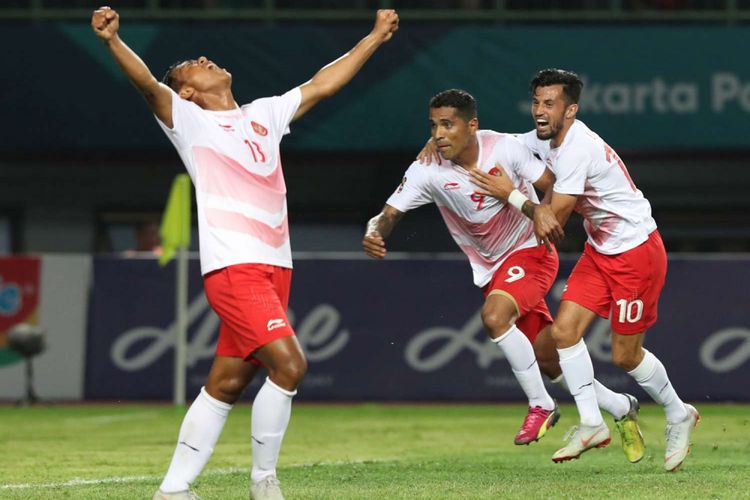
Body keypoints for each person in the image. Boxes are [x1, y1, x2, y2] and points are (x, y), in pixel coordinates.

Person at [91, 6, 399, 499]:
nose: (206, 58)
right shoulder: (187, 120)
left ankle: (173, 490)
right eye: (193, 62)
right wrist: (111, 41)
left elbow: (323, 84)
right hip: (235, 268)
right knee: (290, 366)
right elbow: (149, 85)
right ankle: (264, 484)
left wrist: (374, 38)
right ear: (187, 90)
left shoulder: (263, 115)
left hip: (277, 267)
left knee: (226, 385)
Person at [365, 89, 644, 457]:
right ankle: (621, 406)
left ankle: (540, 405)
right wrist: (373, 233)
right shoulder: (426, 170)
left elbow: (552, 186)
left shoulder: (504, 149)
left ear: (472, 126)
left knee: (495, 317)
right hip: (491, 268)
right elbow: (389, 214)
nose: (438, 134)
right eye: (433, 126)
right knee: (548, 357)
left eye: (448, 125)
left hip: (531, 251)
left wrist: (535, 211)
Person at [484, 68, 699, 470]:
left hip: (636, 253)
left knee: (625, 356)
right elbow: (498, 143)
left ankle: (677, 412)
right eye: (536, 102)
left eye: (550, 104)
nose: (539, 112)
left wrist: (508, 194)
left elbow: (552, 221)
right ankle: (590, 422)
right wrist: (446, 144)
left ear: (571, 110)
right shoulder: (545, 139)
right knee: (563, 334)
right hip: (600, 251)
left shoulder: (577, 147)